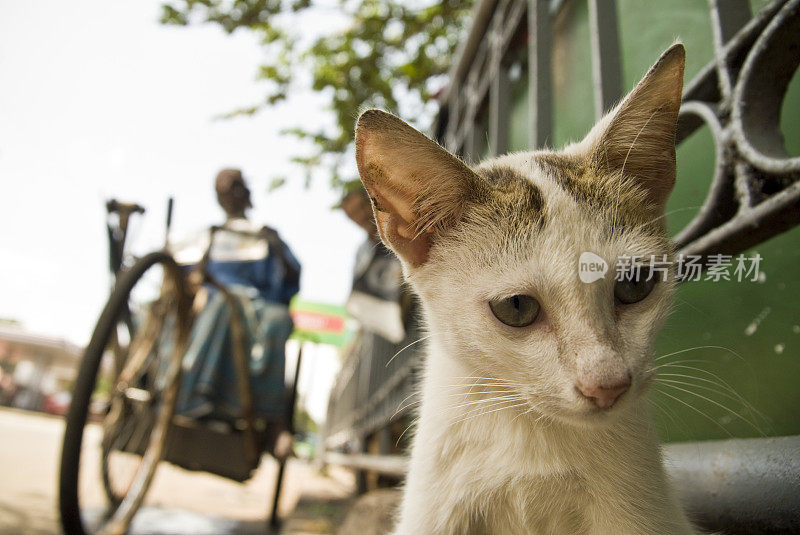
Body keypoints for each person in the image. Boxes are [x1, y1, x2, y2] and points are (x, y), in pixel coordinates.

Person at [173, 169, 300, 458]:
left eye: (236, 187)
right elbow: (180, 271)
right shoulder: (207, 236)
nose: (232, 195)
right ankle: (179, 392)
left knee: (276, 320)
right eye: (225, 190)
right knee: (212, 306)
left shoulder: (265, 235)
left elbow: (293, 277)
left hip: (256, 305)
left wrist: (276, 247)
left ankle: (270, 419)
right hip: (210, 301)